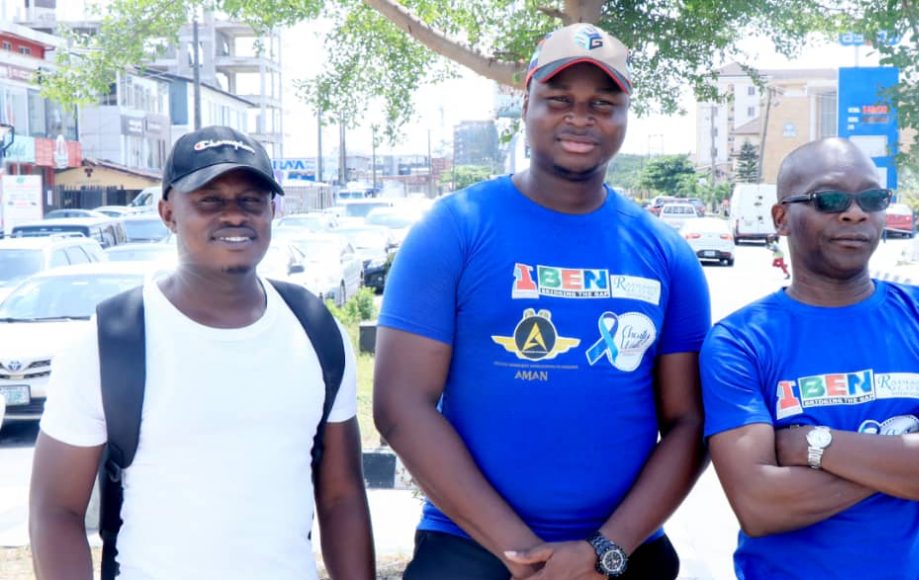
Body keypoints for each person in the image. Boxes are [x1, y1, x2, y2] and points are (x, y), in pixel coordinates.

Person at [374, 23, 710, 580]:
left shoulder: (667, 253)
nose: (580, 118)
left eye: (603, 104)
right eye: (559, 100)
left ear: (625, 117)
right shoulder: (455, 228)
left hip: (624, 554)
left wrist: (605, 550)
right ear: (525, 103)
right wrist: (523, 554)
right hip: (471, 548)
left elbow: (688, 421)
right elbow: (401, 405)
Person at [29, 125, 375, 580]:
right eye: (210, 200)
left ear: (273, 211)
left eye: (251, 200)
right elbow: (56, 510)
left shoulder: (314, 329)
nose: (234, 215)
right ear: (168, 213)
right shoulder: (112, 339)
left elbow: (341, 498)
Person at [700, 138, 919, 579]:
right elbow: (761, 506)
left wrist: (814, 446)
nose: (855, 213)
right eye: (830, 199)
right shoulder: (740, 342)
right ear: (781, 218)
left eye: (872, 199)